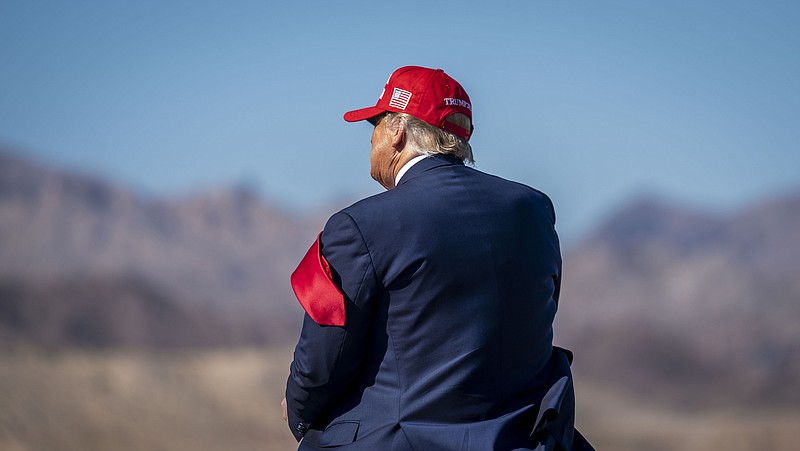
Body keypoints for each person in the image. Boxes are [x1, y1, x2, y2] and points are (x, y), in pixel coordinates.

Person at [283, 66, 593, 450]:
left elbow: (324, 358)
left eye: (375, 125)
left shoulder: (359, 225)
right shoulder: (534, 210)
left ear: (397, 130)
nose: (373, 139)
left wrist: (299, 415)